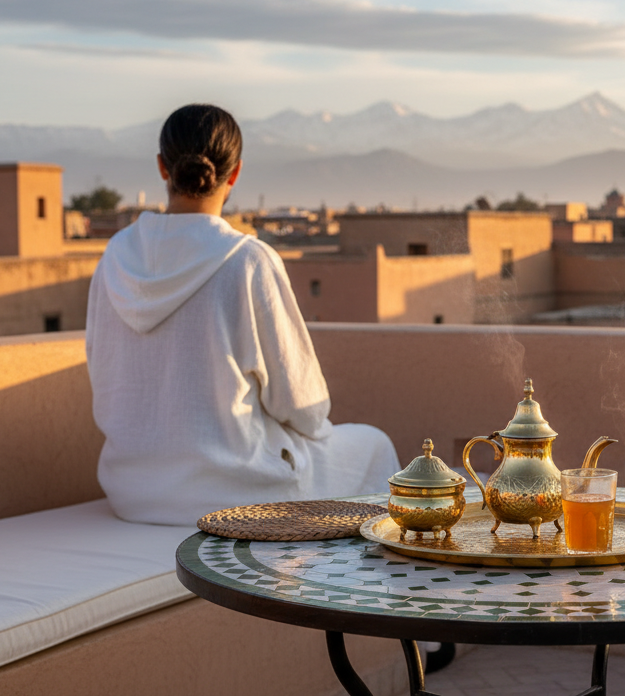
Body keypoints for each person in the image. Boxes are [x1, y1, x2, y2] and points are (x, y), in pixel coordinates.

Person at [86, 104, 400, 526]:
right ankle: (353, 587)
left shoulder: (114, 259)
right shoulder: (247, 260)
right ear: (234, 175)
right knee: (373, 444)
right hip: (237, 492)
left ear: (163, 168)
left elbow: (100, 369)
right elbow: (304, 407)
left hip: (132, 491)